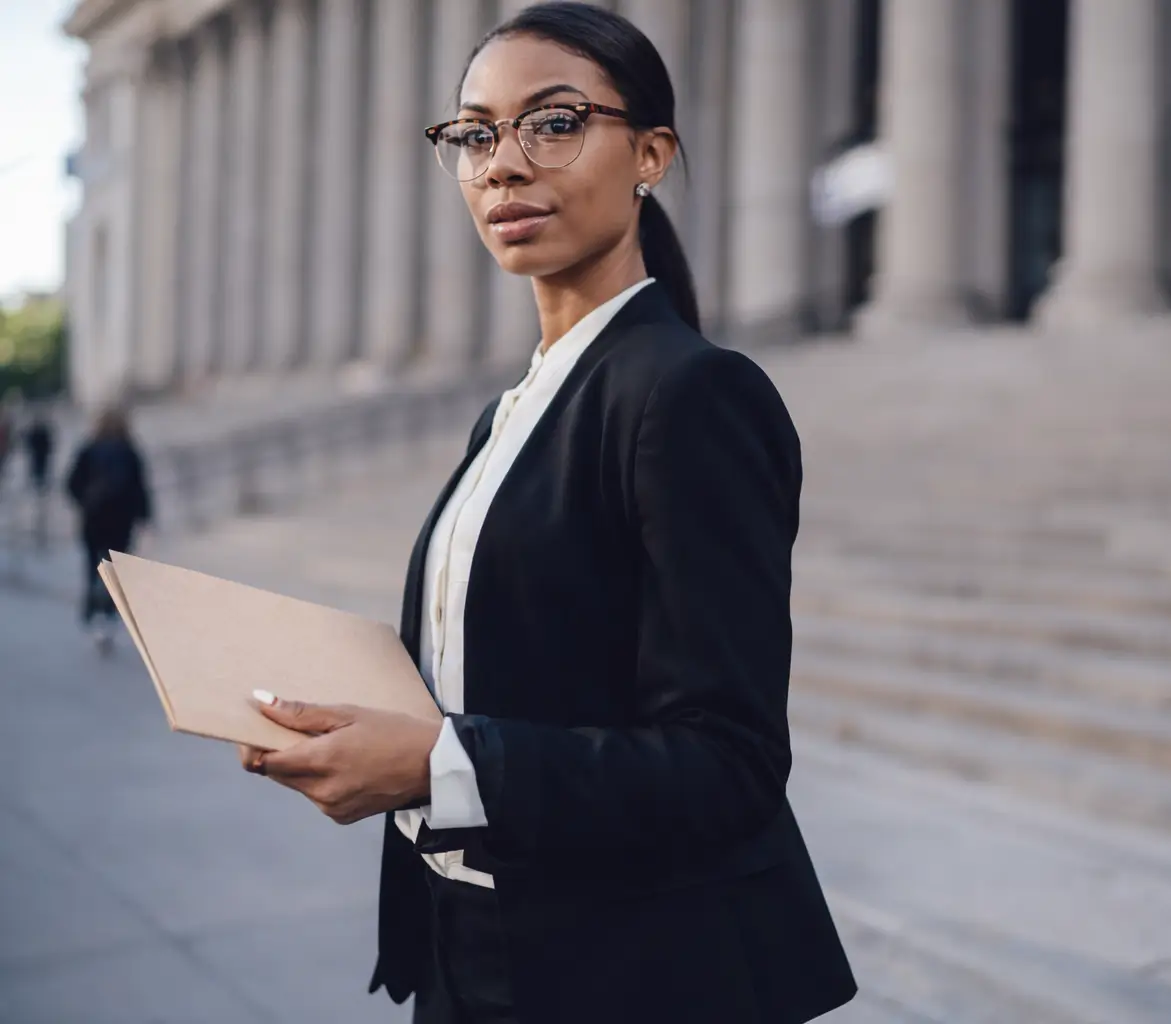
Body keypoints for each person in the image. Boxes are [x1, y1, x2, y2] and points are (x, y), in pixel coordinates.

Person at [237, 4, 858, 1022]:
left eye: (554, 122)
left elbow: (728, 763)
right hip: (467, 954)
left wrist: (437, 761)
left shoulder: (693, 394)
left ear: (649, 153)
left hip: (632, 971)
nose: (503, 165)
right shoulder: (509, 410)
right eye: (476, 134)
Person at [66, 406, 152, 652]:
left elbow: (71, 483)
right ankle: (109, 618)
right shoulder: (130, 451)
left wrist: (84, 501)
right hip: (121, 520)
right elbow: (140, 487)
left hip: (93, 518)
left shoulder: (89, 449)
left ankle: (95, 613)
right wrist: (144, 516)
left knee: (94, 566)